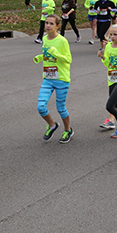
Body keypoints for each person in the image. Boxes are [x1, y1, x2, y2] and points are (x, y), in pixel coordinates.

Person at [34, 14, 74, 143]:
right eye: (46, 23)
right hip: (48, 78)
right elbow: (48, 55)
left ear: (57, 26)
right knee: (41, 107)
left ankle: (68, 130)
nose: (48, 26)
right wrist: (40, 57)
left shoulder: (62, 41)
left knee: (60, 108)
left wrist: (56, 53)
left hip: (61, 78)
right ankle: (52, 125)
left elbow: (69, 59)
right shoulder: (45, 39)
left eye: (51, 23)